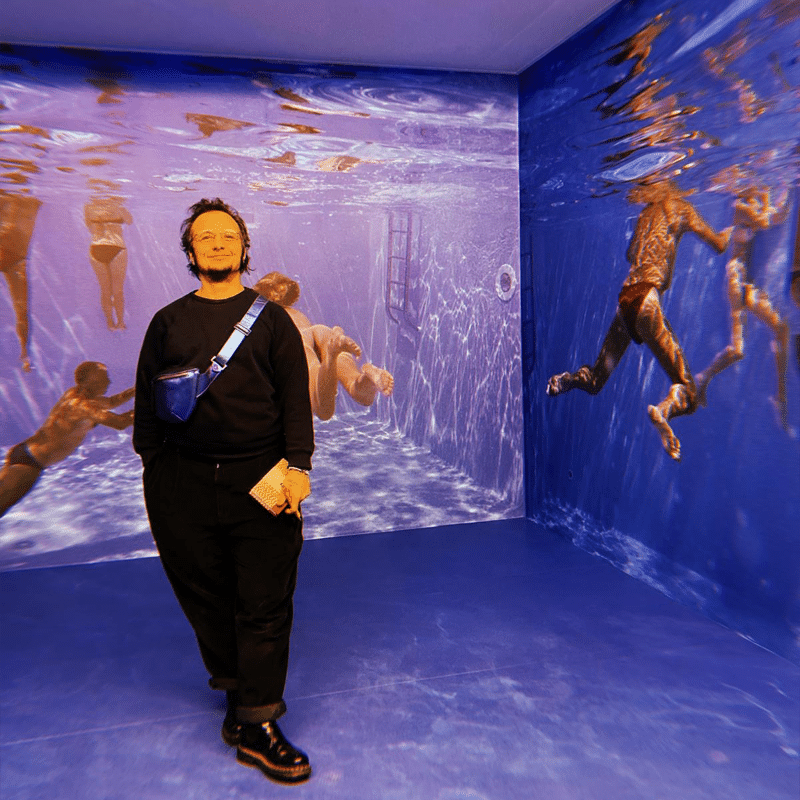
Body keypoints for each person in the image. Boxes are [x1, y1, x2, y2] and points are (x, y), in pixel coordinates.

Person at [133, 198, 314, 784]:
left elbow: (295, 400)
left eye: (228, 235)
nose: (217, 242)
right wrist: (156, 471)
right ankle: (239, 696)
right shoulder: (167, 322)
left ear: (244, 248)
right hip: (181, 483)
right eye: (205, 236)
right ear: (190, 251)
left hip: (261, 478)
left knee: (265, 600)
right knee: (205, 596)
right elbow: (147, 409)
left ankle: (259, 724)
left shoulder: (272, 320)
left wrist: (298, 466)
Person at [546, 180, 732, 461]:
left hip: (626, 300)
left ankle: (569, 380)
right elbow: (718, 245)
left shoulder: (646, 212)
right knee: (690, 393)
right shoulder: (682, 207)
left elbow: (631, 253)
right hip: (647, 302)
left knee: (595, 381)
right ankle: (664, 412)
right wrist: (733, 230)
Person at [695, 186, 790, 427]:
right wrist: (782, 192)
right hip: (736, 282)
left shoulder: (749, 203)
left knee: (781, 330)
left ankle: (780, 399)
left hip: (746, 284)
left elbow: (774, 216)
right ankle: (703, 378)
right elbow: (771, 219)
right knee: (738, 349)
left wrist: (782, 193)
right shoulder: (739, 207)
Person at [254, 271, 394, 421]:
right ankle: (365, 377)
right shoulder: (298, 315)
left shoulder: (260, 314)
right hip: (322, 332)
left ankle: (331, 356)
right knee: (358, 390)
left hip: (296, 339)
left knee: (323, 409)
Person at [0, 361, 133, 517]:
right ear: (87, 383)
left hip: (23, 452)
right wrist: (150, 406)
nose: (109, 382)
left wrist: (139, 389)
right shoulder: (83, 406)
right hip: (30, 464)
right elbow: (120, 423)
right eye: (103, 379)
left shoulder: (74, 394)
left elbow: (111, 402)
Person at [1, 190, 42, 371]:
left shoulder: (29, 200)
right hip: (16, 258)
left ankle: (25, 350)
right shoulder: (30, 201)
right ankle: (25, 351)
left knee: (22, 309)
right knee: (21, 309)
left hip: (16, 258)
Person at [84, 195, 132, 330]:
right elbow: (129, 221)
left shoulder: (89, 205)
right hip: (117, 247)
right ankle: (120, 322)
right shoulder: (118, 204)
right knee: (117, 290)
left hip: (96, 247)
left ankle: (110, 322)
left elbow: (89, 227)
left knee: (106, 290)